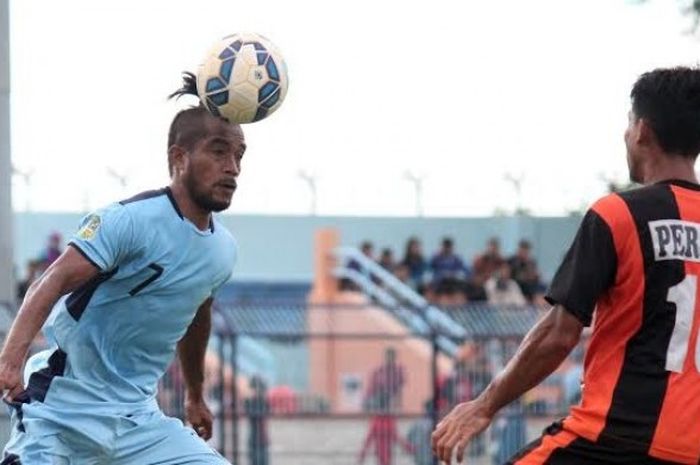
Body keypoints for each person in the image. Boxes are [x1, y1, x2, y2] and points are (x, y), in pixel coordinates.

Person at [432, 67, 700, 464]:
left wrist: (483, 405)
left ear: (642, 130)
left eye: (628, 123)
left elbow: (560, 334)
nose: (625, 134)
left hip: (613, 439)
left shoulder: (618, 214)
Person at [0, 73, 243, 464]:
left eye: (238, 156)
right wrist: (10, 360)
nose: (232, 168)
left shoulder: (222, 251)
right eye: (218, 152)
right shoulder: (129, 222)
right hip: (62, 414)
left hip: (138, 423)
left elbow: (197, 313)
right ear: (178, 159)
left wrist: (195, 395)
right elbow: (54, 280)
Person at [244, 376, 270, 465]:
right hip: (254, 437)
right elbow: (251, 413)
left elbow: (264, 412)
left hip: (262, 437)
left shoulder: (263, 401)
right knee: (254, 459)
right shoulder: (249, 401)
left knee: (263, 460)